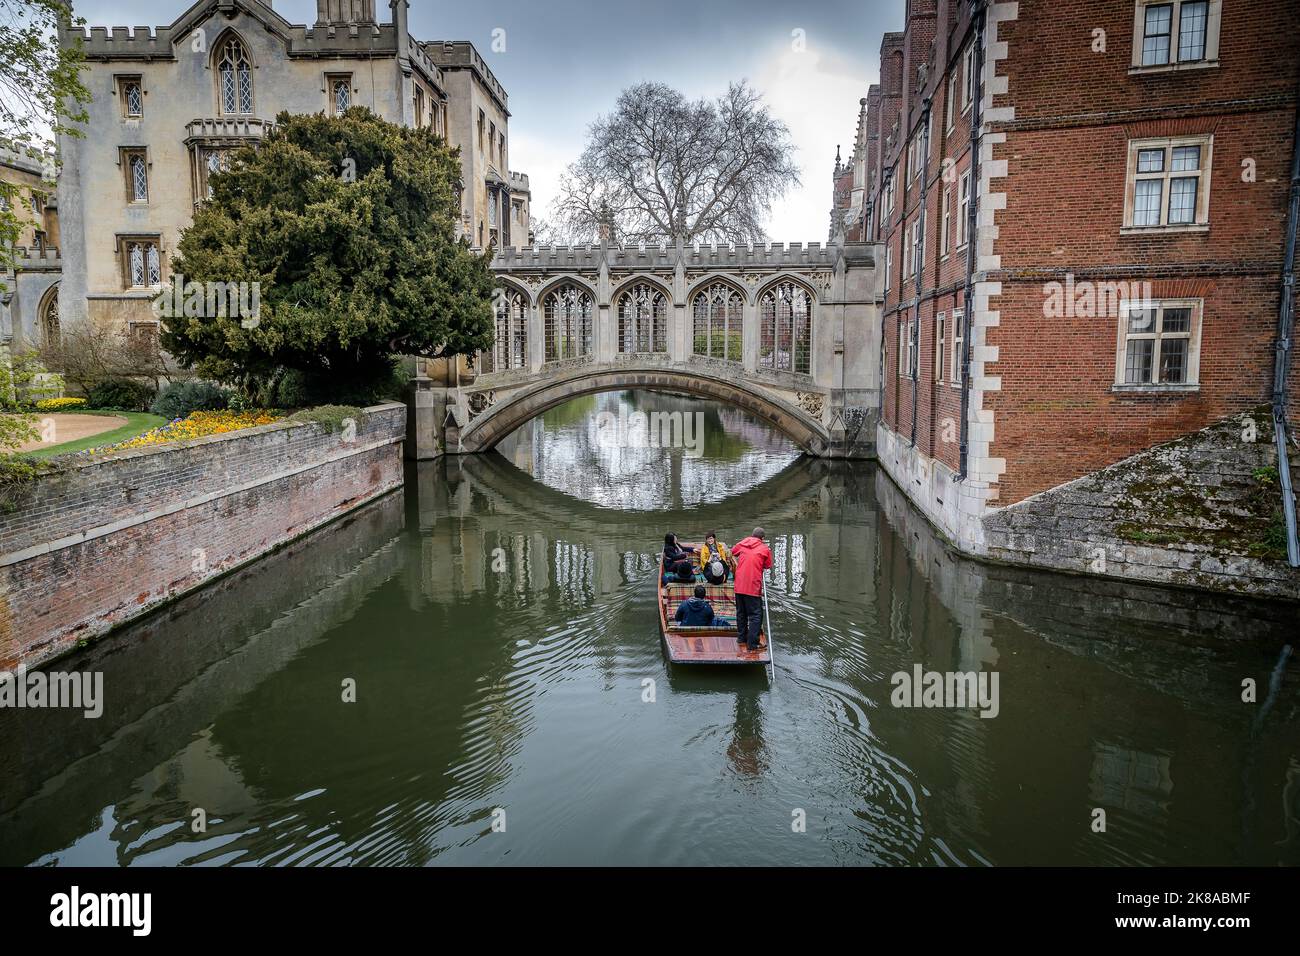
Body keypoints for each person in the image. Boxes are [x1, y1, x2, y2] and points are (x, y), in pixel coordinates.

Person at [731, 527, 773, 651]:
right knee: (755, 615)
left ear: (752, 535)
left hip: (739, 585)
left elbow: (733, 551)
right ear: (762, 539)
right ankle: (752, 644)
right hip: (752, 587)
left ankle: (741, 638)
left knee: (741, 612)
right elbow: (768, 565)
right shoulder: (765, 549)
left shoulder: (743, 543)